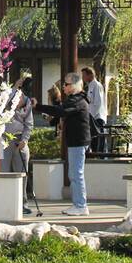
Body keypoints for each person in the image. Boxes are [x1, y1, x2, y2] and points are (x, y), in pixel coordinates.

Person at [35, 71, 92, 216]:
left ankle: (80, 206)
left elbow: (60, 111)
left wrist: (38, 106)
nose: (64, 87)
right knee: (74, 174)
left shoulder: (77, 100)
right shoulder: (75, 99)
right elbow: (60, 113)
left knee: (76, 174)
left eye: (66, 84)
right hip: (76, 141)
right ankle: (78, 204)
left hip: (78, 141)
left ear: (73, 85)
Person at [1, 85, 35, 215]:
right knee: (4, 171)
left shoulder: (27, 103)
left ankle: (23, 203)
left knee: (22, 172)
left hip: (20, 140)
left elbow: (29, 124)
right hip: (4, 139)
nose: (17, 104)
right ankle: (6, 201)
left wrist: (24, 140)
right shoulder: (6, 99)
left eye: (19, 101)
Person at [82, 66, 107, 153]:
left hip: (97, 117)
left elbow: (98, 103)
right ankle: (96, 155)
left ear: (90, 75)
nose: (83, 78)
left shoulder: (96, 85)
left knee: (98, 140)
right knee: (94, 140)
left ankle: (99, 157)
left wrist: (90, 116)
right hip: (93, 117)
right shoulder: (90, 86)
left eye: (84, 75)